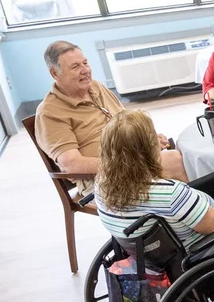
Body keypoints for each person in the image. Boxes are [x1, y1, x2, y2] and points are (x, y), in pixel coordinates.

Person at [94, 110, 214, 249]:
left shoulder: (102, 185)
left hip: (166, 245)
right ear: (147, 150)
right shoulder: (171, 194)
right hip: (207, 247)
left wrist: (211, 208)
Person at [35, 40, 186, 196]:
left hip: (132, 160)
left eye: (85, 63)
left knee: (184, 155)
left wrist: (147, 140)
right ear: (55, 73)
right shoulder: (49, 112)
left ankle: (188, 206)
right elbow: (72, 164)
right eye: (75, 67)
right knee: (175, 161)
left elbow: (128, 123)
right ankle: (194, 207)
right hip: (102, 179)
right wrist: (128, 164)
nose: (85, 70)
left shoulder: (96, 87)